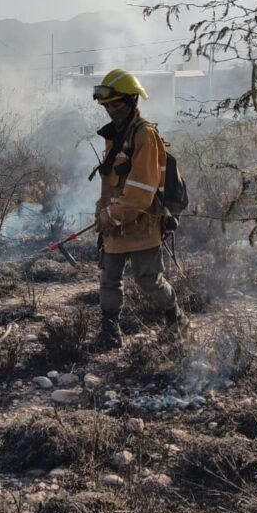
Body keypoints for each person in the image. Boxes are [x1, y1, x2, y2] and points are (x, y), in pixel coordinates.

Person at [91, 68, 184, 348]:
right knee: (109, 280)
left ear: (132, 101)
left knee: (148, 279)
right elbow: (110, 184)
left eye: (116, 104)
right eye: (107, 106)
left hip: (142, 223)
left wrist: (111, 216)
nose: (111, 110)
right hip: (114, 224)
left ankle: (176, 321)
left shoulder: (144, 135)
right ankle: (110, 333)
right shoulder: (114, 136)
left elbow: (141, 191)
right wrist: (101, 213)